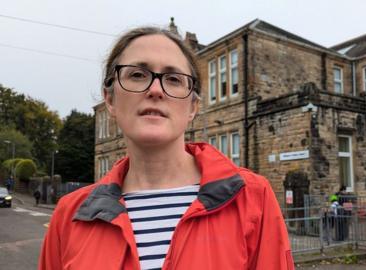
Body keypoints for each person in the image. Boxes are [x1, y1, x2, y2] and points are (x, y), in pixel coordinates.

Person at [39, 26, 293, 270]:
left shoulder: (252, 199)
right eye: (137, 75)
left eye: (173, 79)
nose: (155, 89)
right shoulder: (70, 215)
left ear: (193, 107)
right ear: (110, 100)